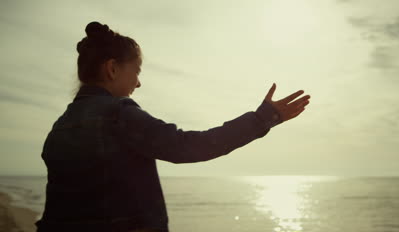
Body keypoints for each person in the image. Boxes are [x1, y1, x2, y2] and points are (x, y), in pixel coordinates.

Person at [35, 21, 310, 232]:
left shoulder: (60, 127)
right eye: (137, 72)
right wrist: (264, 118)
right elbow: (186, 147)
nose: (138, 84)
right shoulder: (118, 114)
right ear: (112, 69)